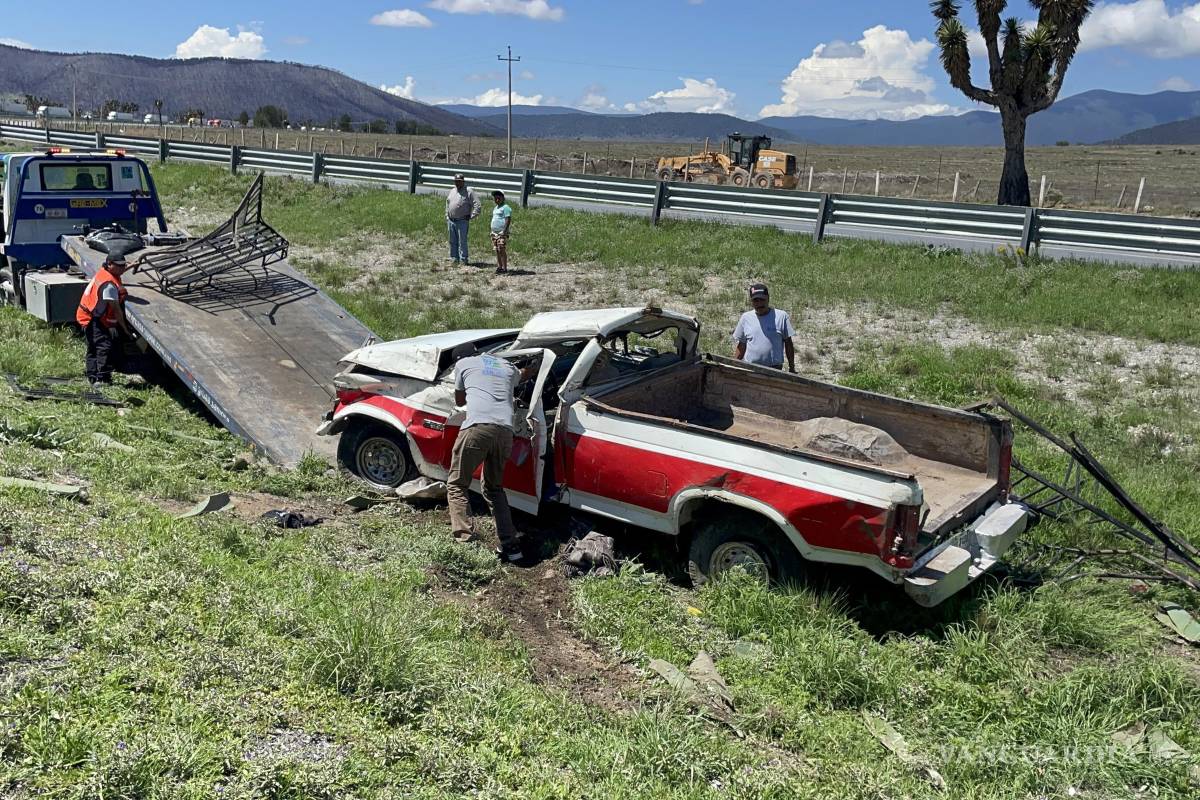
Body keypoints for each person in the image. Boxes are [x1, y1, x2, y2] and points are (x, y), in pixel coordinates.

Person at [447, 344, 535, 562]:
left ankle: (465, 542)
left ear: (459, 358)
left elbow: (460, 401)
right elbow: (523, 375)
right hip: (505, 432)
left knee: (457, 483)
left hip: (477, 428)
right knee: (494, 488)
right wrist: (533, 366)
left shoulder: (462, 364)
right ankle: (511, 545)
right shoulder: (506, 365)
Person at [75, 255, 134, 387]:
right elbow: (117, 310)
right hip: (92, 318)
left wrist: (131, 265)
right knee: (103, 346)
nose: (122, 268)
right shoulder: (109, 286)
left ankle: (92, 376)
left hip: (87, 313)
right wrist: (125, 328)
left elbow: (119, 271)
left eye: (123, 265)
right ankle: (102, 379)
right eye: (119, 265)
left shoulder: (104, 273)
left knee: (93, 346)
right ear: (109, 264)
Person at [733, 282, 796, 372]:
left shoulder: (781, 316)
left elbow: (788, 343)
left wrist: (792, 368)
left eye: (762, 300)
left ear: (768, 298)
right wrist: (734, 366)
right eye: (756, 300)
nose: (759, 304)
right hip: (750, 368)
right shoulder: (746, 318)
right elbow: (741, 345)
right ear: (751, 301)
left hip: (774, 369)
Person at [445, 173, 481, 265]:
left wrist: (472, 216)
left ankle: (463, 259)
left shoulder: (469, 191)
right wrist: (447, 215)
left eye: (459, 181)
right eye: (456, 181)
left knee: (462, 241)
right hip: (451, 220)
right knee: (452, 241)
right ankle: (454, 258)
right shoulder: (452, 190)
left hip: (462, 221)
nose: (457, 183)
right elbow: (448, 203)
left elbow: (477, 205)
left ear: (463, 182)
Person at [489, 190, 513, 274]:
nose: (497, 199)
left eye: (499, 198)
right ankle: (499, 266)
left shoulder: (506, 207)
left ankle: (505, 268)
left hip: (501, 233)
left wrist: (504, 231)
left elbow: (508, 219)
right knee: (497, 250)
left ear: (503, 198)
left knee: (501, 249)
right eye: (495, 198)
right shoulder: (496, 208)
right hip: (494, 233)